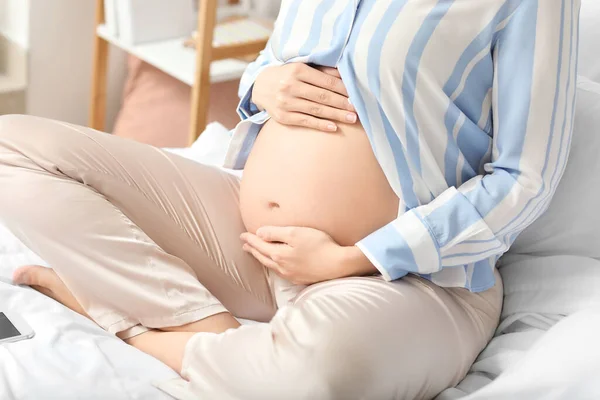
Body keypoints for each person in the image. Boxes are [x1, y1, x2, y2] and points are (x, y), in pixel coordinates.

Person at [0, 0, 579, 398]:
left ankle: (136, 328)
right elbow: (270, 67)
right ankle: (216, 333)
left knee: (319, 374)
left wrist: (359, 257)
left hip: (409, 279)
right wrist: (261, 84)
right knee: (12, 148)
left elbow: (525, 178)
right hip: (248, 239)